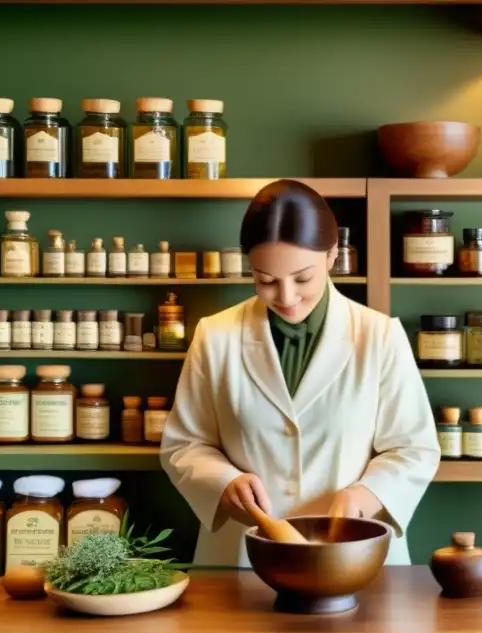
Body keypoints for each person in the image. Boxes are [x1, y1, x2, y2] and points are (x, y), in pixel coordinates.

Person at [160, 179, 440, 567]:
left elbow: (414, 448)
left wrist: (367, 495)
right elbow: (185, 445)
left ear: (332, 255)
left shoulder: (380, 335)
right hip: (245, 555)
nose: (286, 297)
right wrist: (224, 483)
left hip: (353, 552)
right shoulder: (215, 335)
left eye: (303, 278)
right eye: (266, 281)